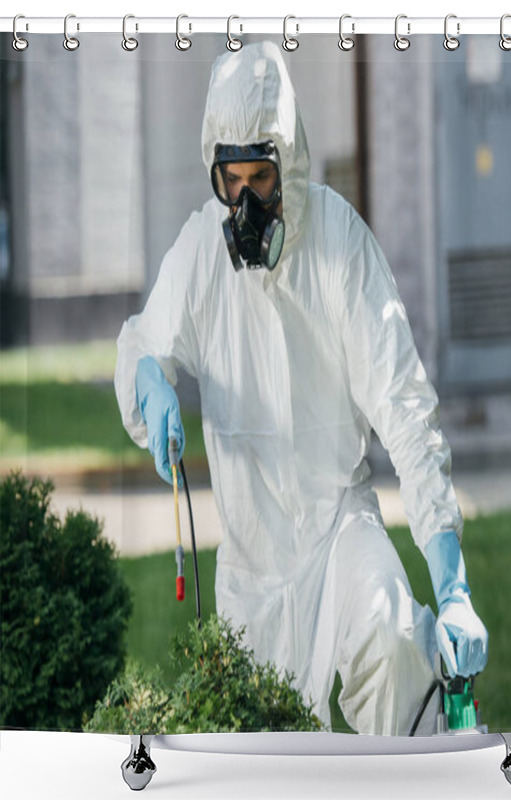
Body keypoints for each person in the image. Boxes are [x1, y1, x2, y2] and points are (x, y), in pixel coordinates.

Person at [114, 41, 487, 736]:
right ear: (215, 174)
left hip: (339, 524)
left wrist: (454, 587)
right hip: (251, 567)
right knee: (263, 747)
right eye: (234, 181)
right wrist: (151, 383)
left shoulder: (338, 240)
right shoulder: (202, 252)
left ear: (290, 164)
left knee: (393, 640)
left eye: (263, 177)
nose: (248, 200)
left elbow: (405, 409)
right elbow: (144, 339)